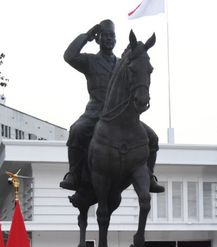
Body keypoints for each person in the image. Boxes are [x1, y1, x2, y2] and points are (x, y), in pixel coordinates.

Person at [59, 19, 164, 193]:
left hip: (122, 117)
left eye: (112, 36)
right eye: (105, 36)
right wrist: (87, 36)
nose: (109, 39)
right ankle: (74, 174)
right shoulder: (90, 61)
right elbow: (69, 56)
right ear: (98, 39)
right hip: (95, 113)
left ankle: (148, 175)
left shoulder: (122, 64)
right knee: (77, 130)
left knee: (152, 138)